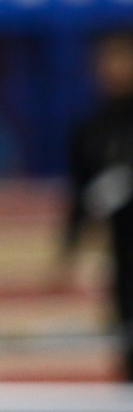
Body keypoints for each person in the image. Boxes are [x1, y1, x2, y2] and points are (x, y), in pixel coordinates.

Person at [63, 31, 133, 381]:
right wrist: (70, 250)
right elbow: (79, 194)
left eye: (122, 59)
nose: (113, 69)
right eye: (106, 61)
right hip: (123, 253)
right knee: (125, 326)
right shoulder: (92, 128)